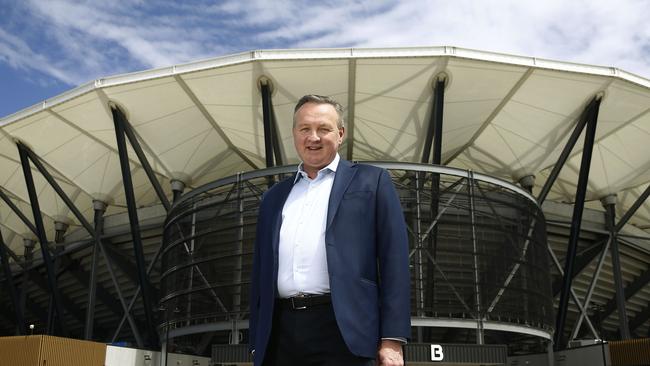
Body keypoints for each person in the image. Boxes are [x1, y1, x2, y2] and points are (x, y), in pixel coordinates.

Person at [249, 94, 411, 366]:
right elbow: (259, 272)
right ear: (294, 134)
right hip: (280, 334)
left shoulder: (372, 181)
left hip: (345, 330)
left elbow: (394, 261)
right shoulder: (273, 197)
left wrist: (392, 338)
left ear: (340, 134)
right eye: (305, 129)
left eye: (323, 129)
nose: (313, 137)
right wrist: (256, 341)